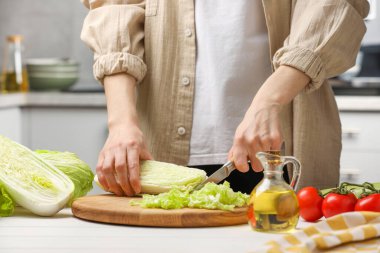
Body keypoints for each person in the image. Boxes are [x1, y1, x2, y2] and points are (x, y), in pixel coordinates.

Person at [80, 0, 369, 196]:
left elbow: (332, 7)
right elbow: (115, 10)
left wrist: (269, 101)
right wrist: (121, 124)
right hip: (160, 151)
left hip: (284, 149)